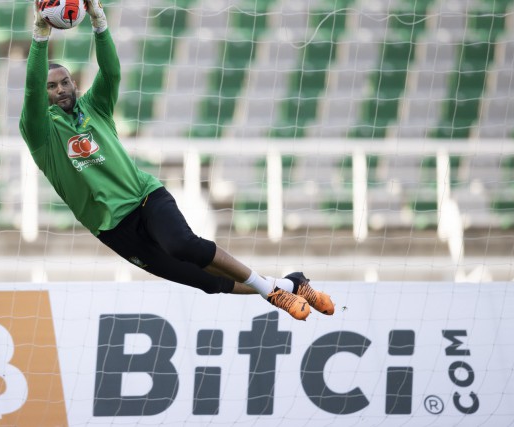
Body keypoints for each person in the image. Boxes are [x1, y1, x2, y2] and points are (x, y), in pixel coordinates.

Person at [19, 0, 334, 320]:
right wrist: (40, 34)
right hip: (112, 229)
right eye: (52, 85)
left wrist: (99, 21)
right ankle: (291, 283)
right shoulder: (40, 132)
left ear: (74, 83)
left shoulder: (94, 107)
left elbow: (111, 71)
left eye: (65, 81)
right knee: (207, 282)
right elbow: (30, 91)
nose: (61, 89)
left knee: (183, 245)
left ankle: (273, 293)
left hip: (144, 197)